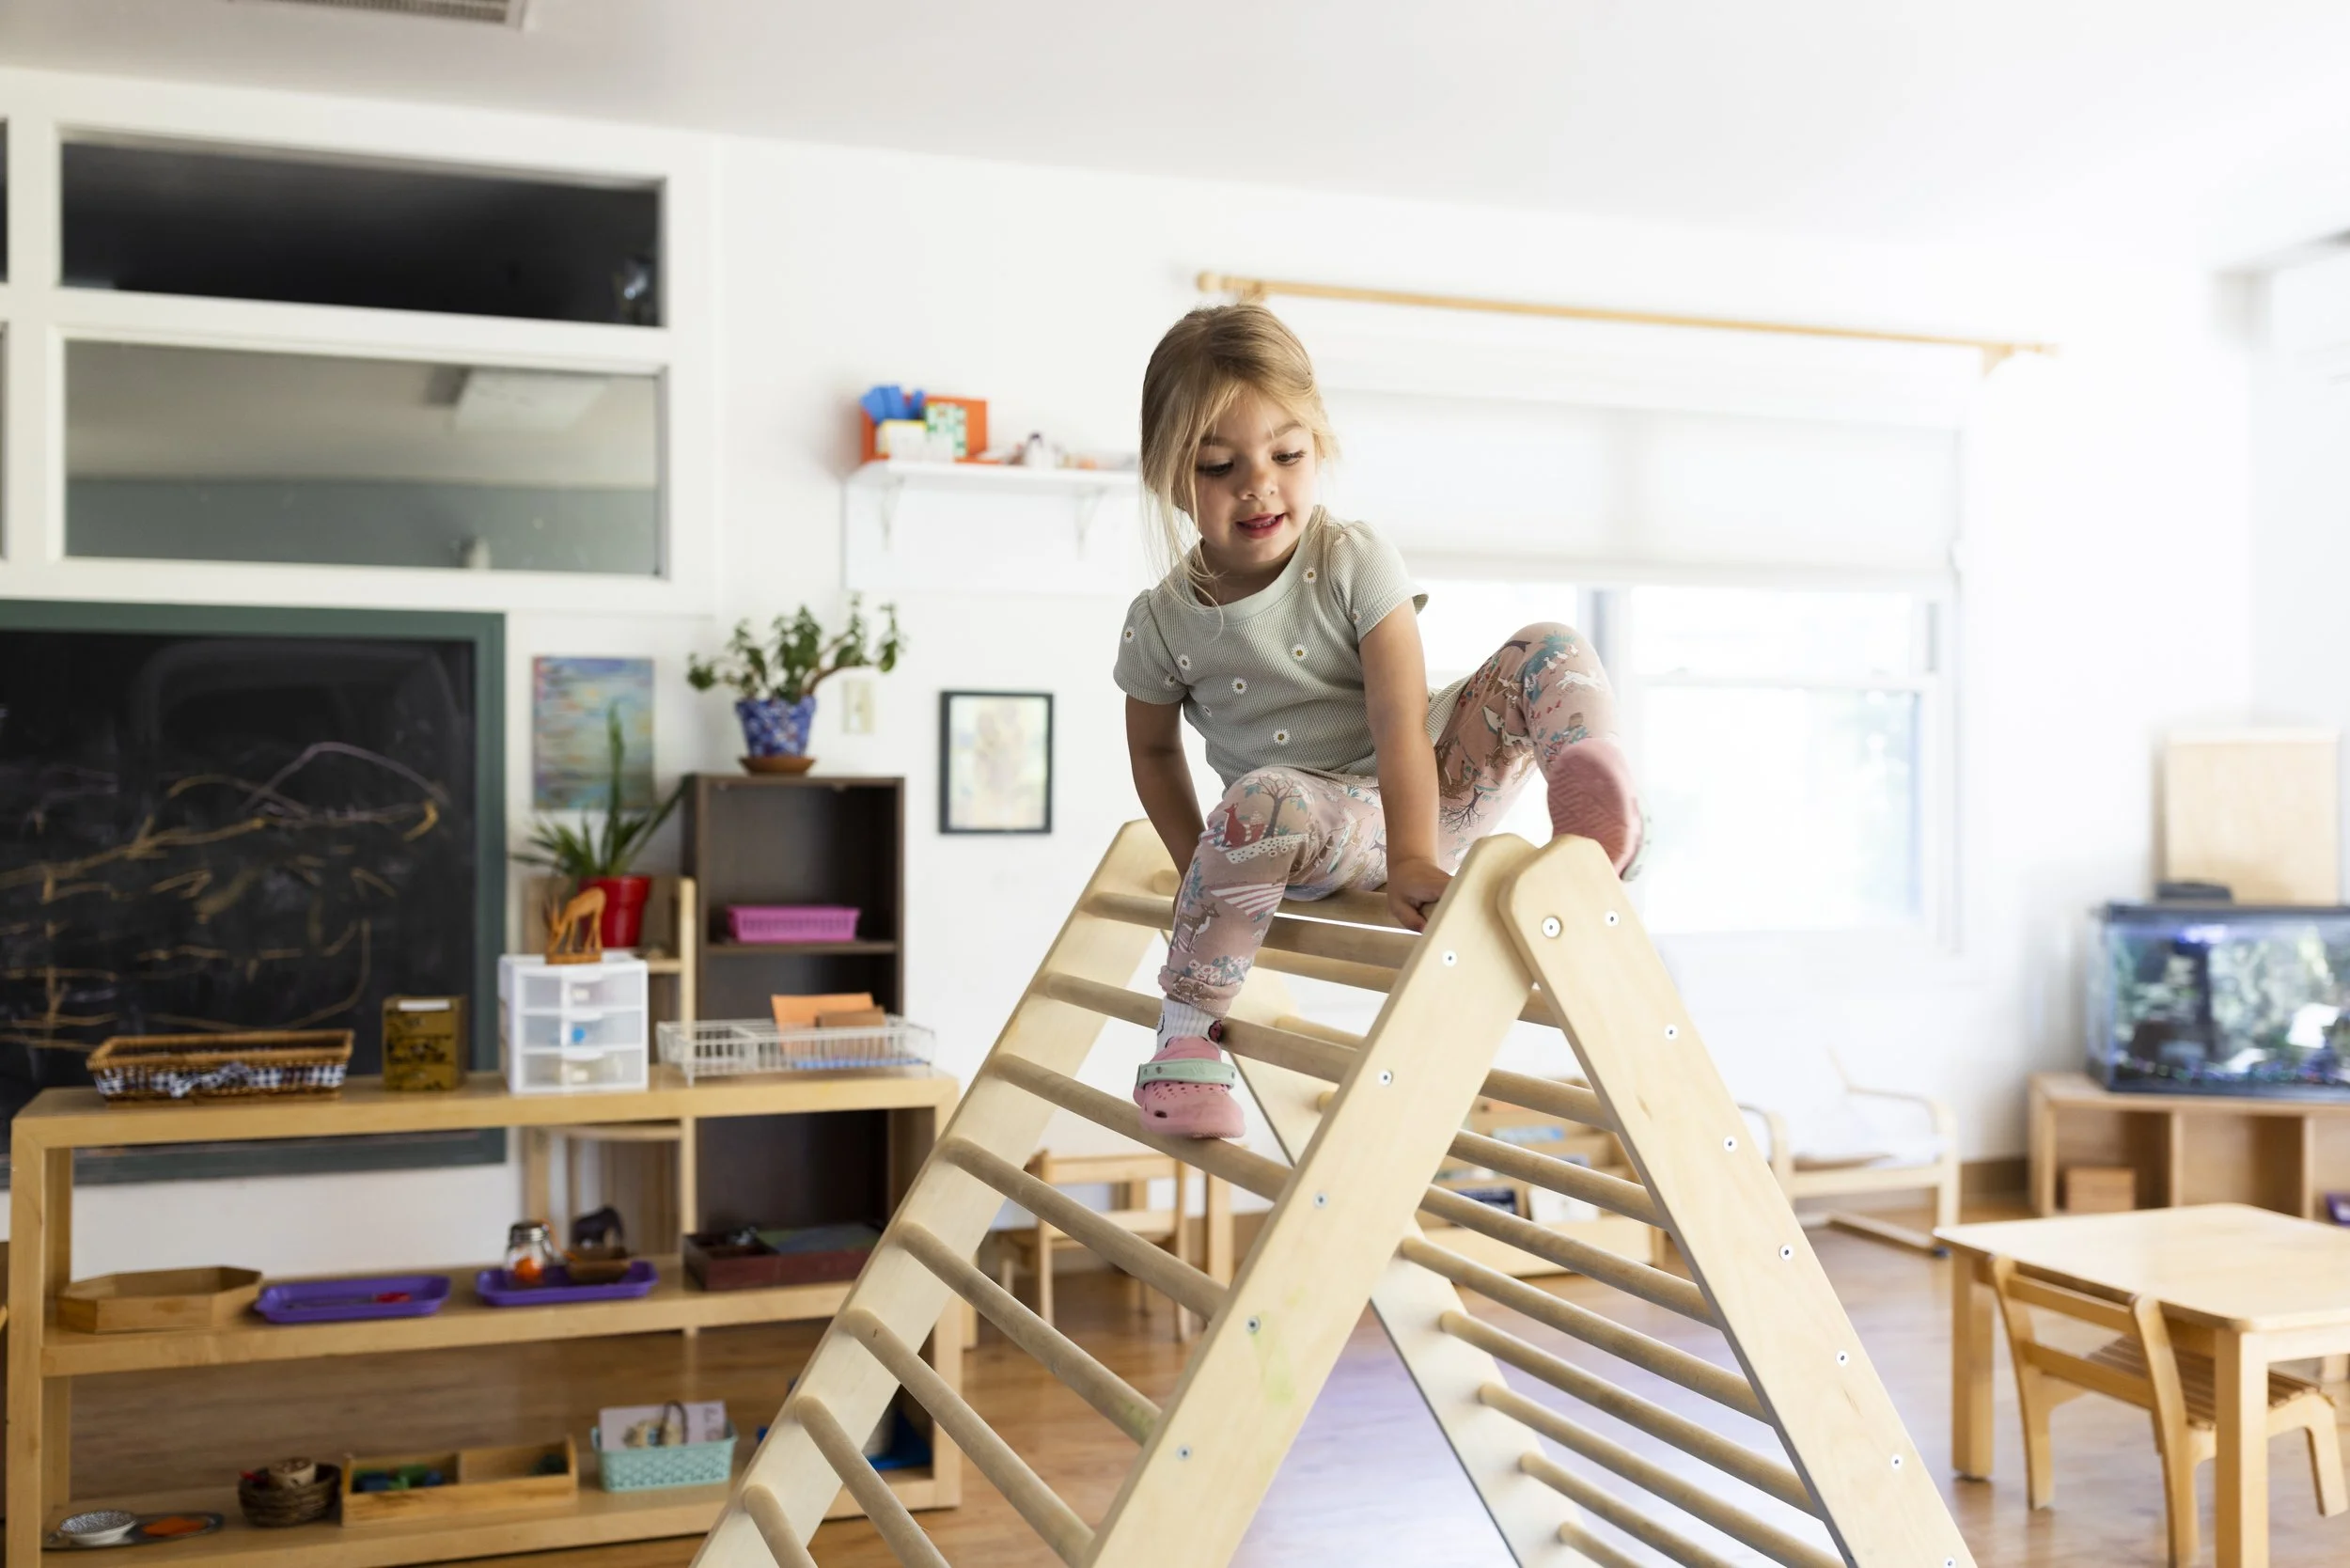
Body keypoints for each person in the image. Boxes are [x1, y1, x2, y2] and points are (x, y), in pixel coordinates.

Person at [1116, 302, 1646, 1139]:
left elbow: (1400, 719)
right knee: (1260, 798)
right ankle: (1186, 1040)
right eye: (1220, 466)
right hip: (1317, 822)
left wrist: (1414, 854)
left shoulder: (1354, 559)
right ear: (1168, 477)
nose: (1259, 484)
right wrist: (1201, 870)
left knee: (1549, 646)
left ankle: (1593, 807)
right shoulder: (1161, 622)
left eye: (1286, 454)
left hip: (1433, 786)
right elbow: (1152, 750)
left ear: (1317, 448)